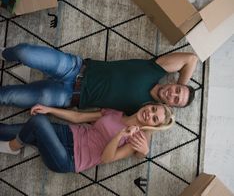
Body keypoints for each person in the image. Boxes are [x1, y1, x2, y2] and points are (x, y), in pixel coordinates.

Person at [0, 43, 198, 114]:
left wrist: (170, 106)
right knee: (24, 52)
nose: (173, 94)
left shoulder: (147, 109)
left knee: (9, 97)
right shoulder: (156, 69)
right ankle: (5, 54)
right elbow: (191, 59)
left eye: (175, 100)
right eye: (177, 91)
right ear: (174, 83)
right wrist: (184, 87)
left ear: (170, 106)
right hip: (75, 68)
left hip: (67, 96)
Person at [0, 102, 174, 173]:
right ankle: (15, 143)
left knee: (38, 122)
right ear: (149, 105)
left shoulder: (135, 140)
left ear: (153, 125)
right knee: (7, 130)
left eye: (154, 118)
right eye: (153, 109)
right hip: (67, 134)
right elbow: (79, 118)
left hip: (69, 159)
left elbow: (106, 159)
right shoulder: (115, 113)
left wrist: (121, 134)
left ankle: (13, 147)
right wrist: (50, 109)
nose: (149, 114)